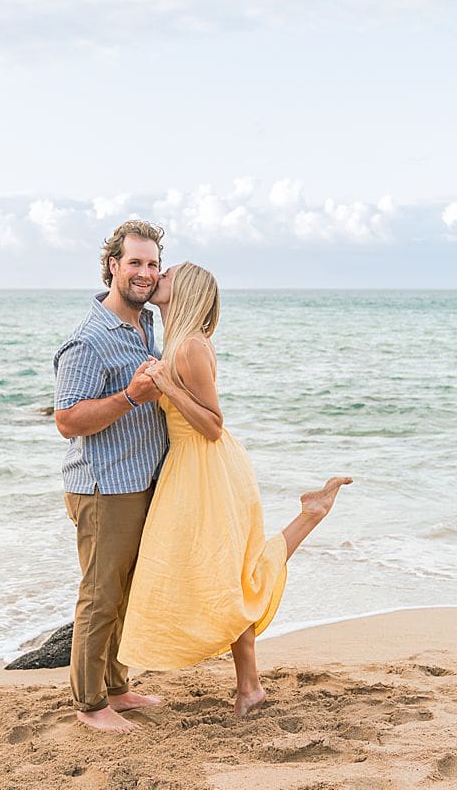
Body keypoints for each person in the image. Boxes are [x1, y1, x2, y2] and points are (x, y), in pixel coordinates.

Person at [117, 262, 352, 716]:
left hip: (207, 467)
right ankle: (250, 687)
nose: (156, 278)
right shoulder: (178, 341)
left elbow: (211, 424)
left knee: (225, 577)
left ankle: (310, 515)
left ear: (183, 290)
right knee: (226, 575)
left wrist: (165, 383)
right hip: (191, 468)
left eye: (165, 275)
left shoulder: (188, 348)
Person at [52, 220, 170, 732]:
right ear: (112, 266)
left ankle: (116, 687)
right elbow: (67, 420)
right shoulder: (89, 339)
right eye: (135, 263)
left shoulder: (146, 327)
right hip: (103, 487)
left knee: (125, 590)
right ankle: (89, 703)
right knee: (99, 594)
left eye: (152, 264)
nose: (144, 273)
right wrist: (129, 398)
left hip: (141, 479)